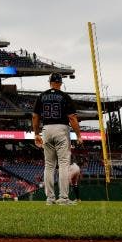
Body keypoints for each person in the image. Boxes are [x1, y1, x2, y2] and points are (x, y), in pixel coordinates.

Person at [32, 72, 84, 205]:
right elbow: (72, 117)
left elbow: (35, 117)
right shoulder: (65, 96)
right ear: (60, 83)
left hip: (47, 129)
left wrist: (36, 134)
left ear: (49, 82)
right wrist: (78, 135)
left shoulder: (42, 96)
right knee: (63, 165)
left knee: (49, 165)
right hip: (61, 129)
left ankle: (50, 199)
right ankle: (63, 198)